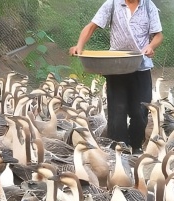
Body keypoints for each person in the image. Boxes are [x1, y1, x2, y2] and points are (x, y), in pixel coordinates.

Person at [69, 0, 163, 155]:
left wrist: (151, 46)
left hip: (141, 65)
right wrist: (79, 45)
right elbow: (92, 26)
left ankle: (136, 145)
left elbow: (158, 35)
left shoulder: (148, 6)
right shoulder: (112, 4)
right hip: (116, 66)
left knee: (140, 110)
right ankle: (119, 148)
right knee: (117, 109)